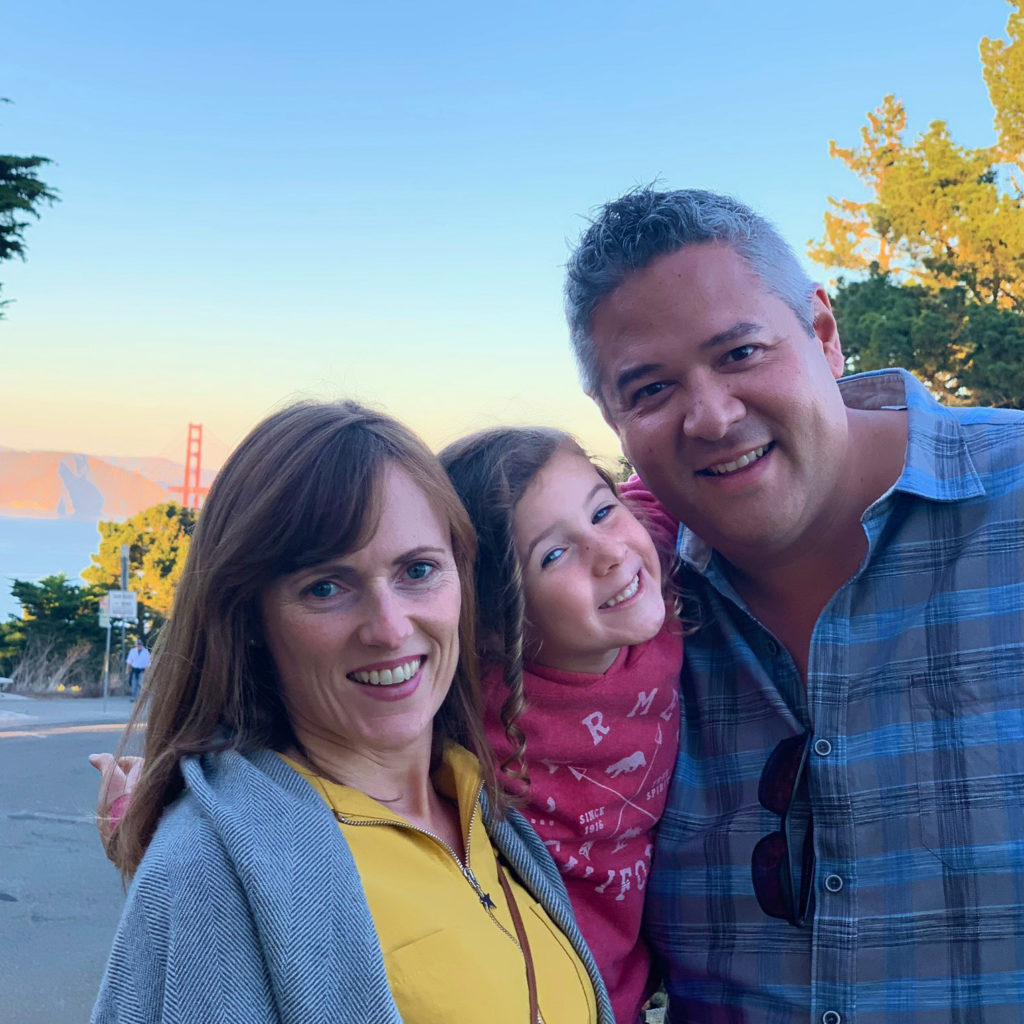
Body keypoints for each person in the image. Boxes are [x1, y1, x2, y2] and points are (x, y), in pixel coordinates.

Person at [564, 186, 1024, 1023]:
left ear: (822, 332)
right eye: (653, 389)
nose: (711, 416)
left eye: (740, 353)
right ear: (614, 417)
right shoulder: (610, 622)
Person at [91, 400, 613, 1024]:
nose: (390, 629)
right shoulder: (209, 875)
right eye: (326, 587)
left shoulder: (490, 815)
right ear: (250, 619)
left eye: (418, 570)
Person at [440, 426, 683, 1024]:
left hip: (633, 988)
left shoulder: (645, 563)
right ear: (494, 623)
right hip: (536, 997)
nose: (608, 552)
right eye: (553, 554)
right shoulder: (469, 696)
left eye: (602, 512)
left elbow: (672, 478)